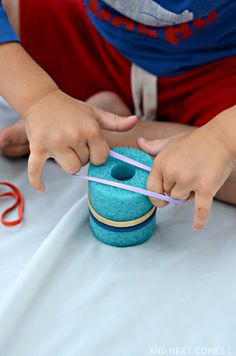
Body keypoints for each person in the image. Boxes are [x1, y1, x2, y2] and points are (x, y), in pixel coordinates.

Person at [0, 0, 236, 231]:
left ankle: (108, 134)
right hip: (94, 37)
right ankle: (79, 121)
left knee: (223, 164)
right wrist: (38, 99)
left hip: (216, 68)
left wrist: (222, 138)